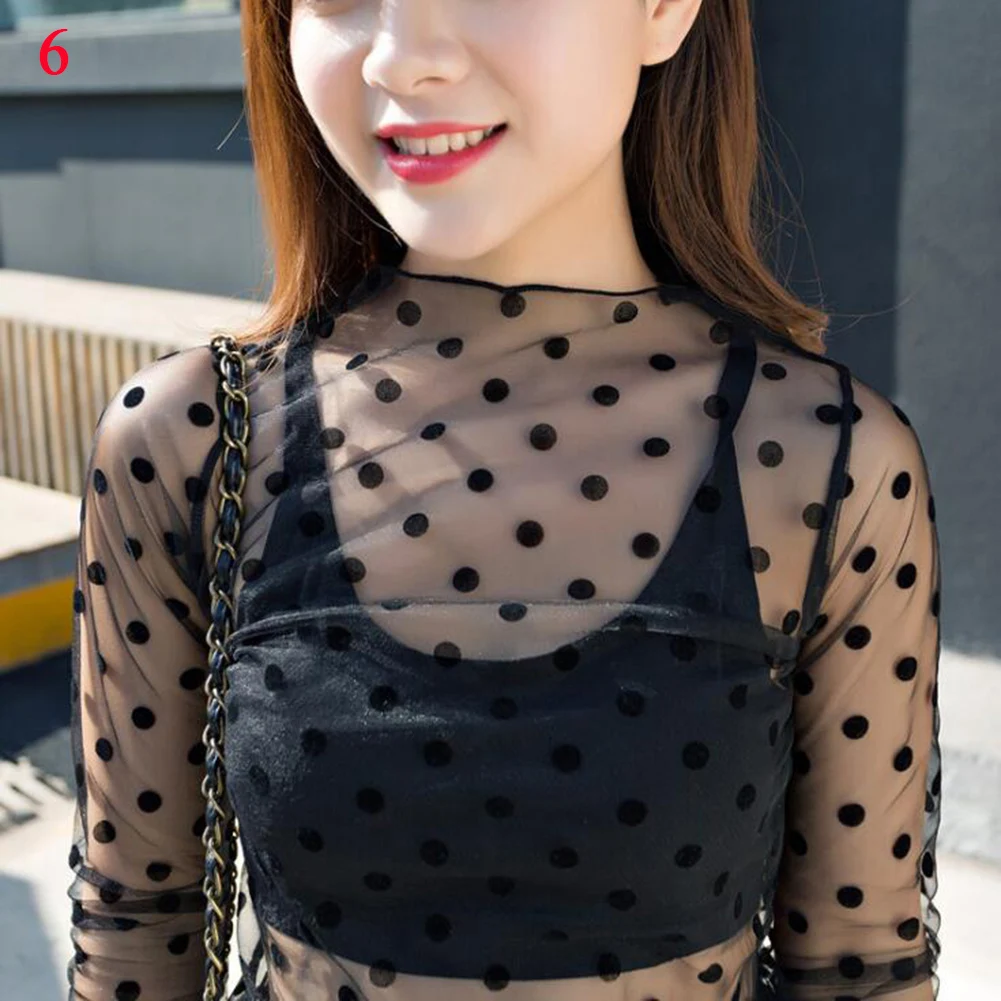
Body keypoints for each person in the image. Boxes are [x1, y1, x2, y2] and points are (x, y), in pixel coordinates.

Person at [65, 1, 943, 999]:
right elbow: (135, 926)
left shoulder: (825, 461)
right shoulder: (194, 440)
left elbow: (861, 962)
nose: (405, 58)